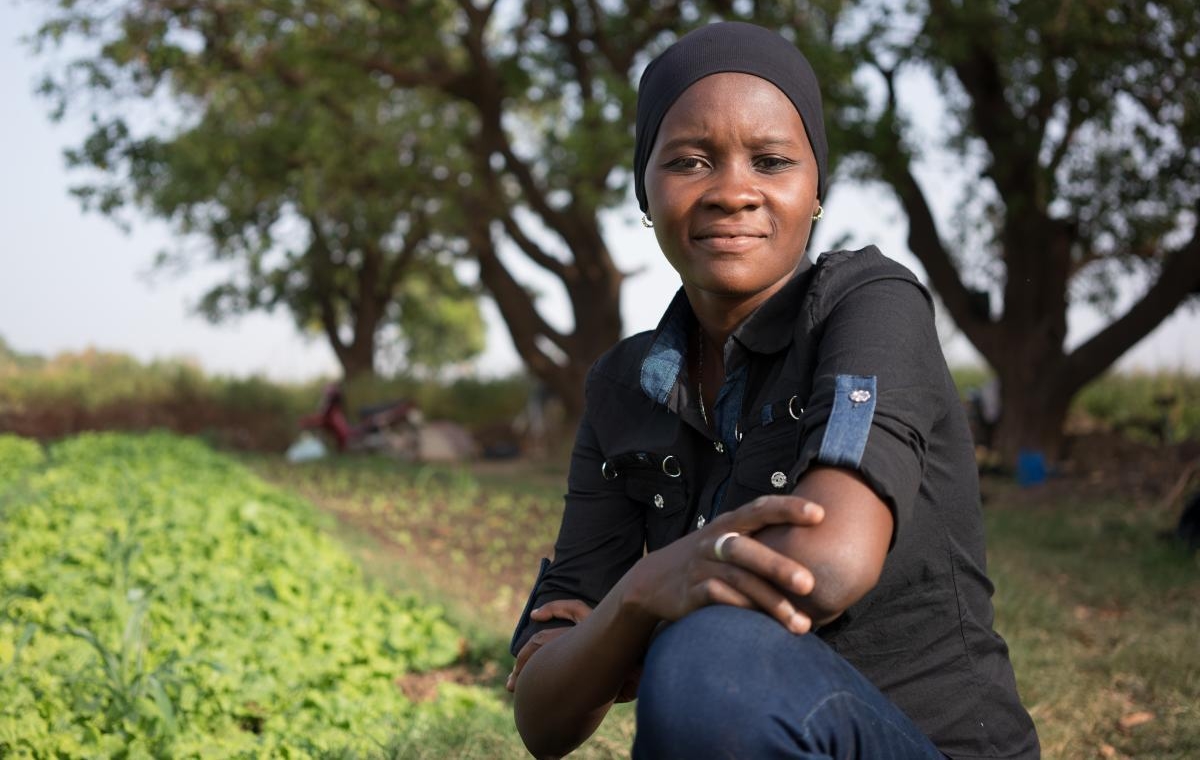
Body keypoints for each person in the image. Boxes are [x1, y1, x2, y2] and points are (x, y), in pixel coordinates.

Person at [506, 21, 1039, 759]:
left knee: (706, 655)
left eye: (770, 160)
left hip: (929, 745)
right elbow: (542, 714)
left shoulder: (868, 304)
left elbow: (828, 563)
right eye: (690, 161)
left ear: (814, 187)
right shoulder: (624, 387)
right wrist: (640, 592)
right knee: (703, 650)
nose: (733, 192)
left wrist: (626, 625)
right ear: (644, 190)